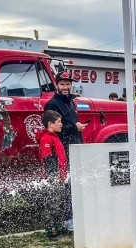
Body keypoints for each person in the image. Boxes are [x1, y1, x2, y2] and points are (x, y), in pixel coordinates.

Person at [44, 71, 87, 232]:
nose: (65, 87)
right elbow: (53, 129)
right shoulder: (52, 104)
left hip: (74, 146)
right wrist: (74, 127)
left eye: (68, 84)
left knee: (75, 184)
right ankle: (67, 221)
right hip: (62, 149)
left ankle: (73, 217)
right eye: (62, 84)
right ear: (56, 85)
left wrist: (77, 128)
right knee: (66, 185)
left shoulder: (70, 102)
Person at [36, 110, 68, 238]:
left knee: (58, 203)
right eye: (59, 122)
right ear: (50, 123)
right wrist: (53, 176)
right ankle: (50, 230)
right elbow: (47, 157)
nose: (61, 124)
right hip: (52, 177)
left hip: (59, 177)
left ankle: (58, 226)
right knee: (51, 203)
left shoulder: (54, 137)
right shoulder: (47, 138)